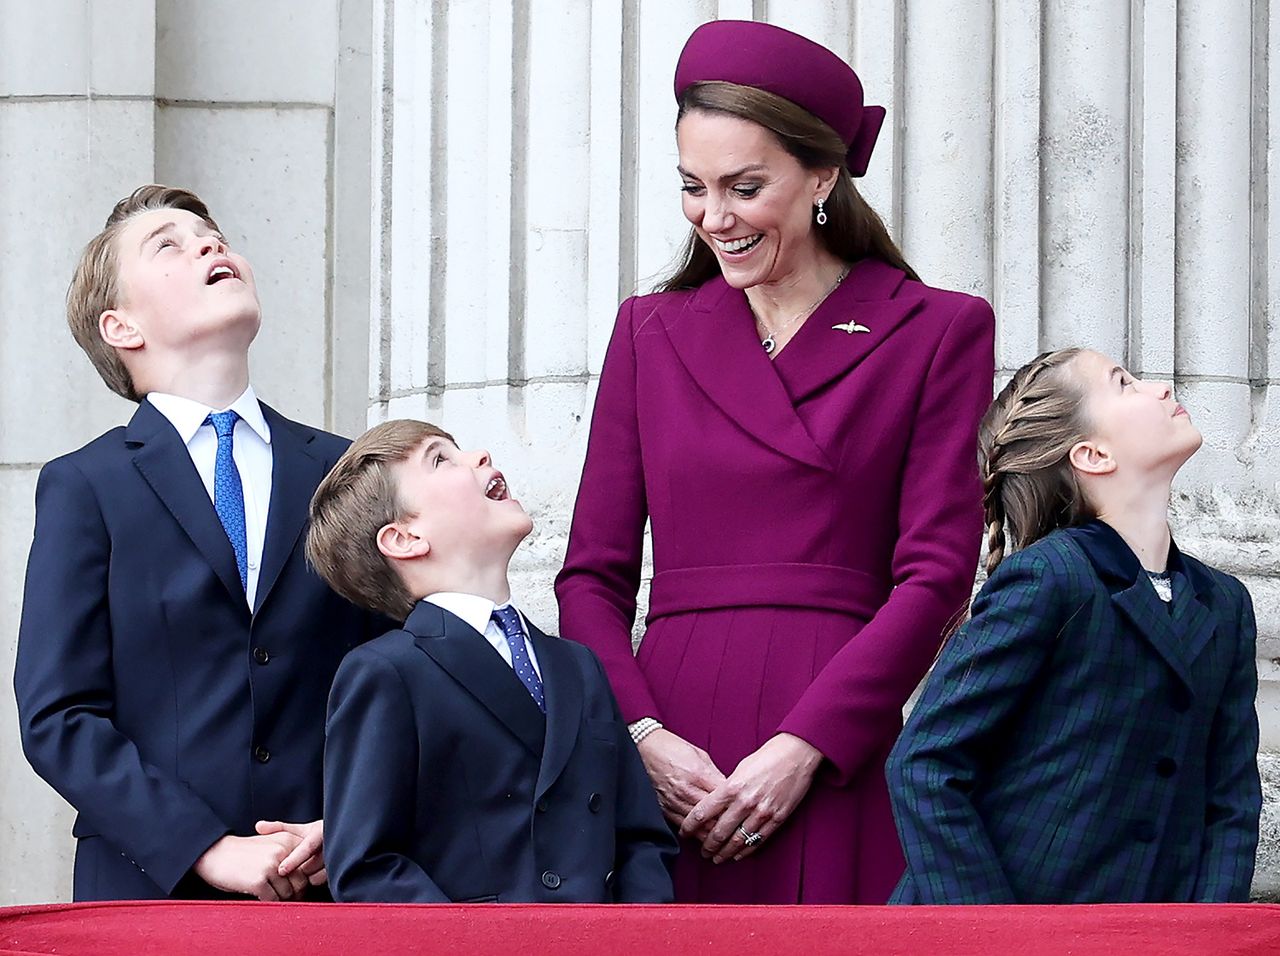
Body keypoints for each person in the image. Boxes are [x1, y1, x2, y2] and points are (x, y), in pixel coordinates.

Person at [554, 20, 995, 904]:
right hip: (671, 749)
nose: (714, 218)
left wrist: (810, 745)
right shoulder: (648, 332)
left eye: (745, 187)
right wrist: (640, 735)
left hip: (833, 730)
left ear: (822, 176)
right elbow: (590, 578)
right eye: (693, 187)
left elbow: (938, 572)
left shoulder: (938, 328)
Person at [14, 185, 378, 901]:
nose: (211, 244)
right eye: (169, 245)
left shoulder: (346, 471)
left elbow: (402, 678)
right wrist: (205, 847)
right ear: (121, 327)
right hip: (147, 892)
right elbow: (58, 715)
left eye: (213, 234)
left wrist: (350, 824)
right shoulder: (86, 485)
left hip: (328, 882)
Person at [888, 348, 1261, 903]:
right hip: (1012, 919)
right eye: (1124, 383)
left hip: (1152, 931)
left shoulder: (1225, 603)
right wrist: (994, 931)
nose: (1160, 387)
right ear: (1093, 455)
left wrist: (1208, 927)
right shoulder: (1050, 576)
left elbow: (1231, 797)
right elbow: (924, 763)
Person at [308, 420, 676, 903]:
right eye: (441, 459)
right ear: (404, 538)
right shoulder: (387, 672)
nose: (479, 455)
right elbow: (369, 868)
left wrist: (636, 933)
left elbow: (641, 838)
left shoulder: (578, 665)